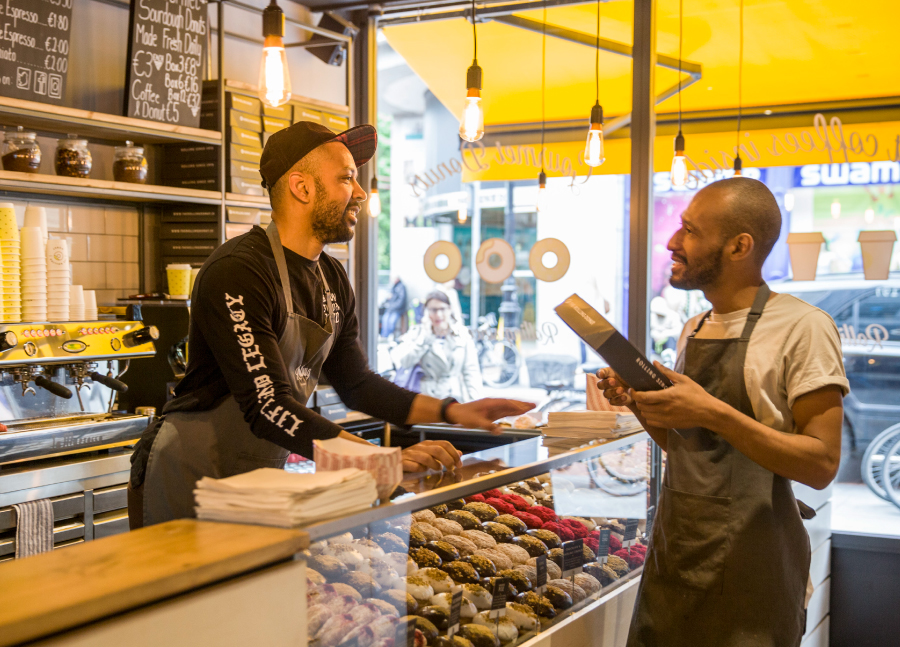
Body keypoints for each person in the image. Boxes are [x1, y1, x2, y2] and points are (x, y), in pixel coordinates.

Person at [127, 121, 532, 528]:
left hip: (259, 480)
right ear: (302, 188)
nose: (359, 193)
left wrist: (452, 411)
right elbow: (267, 405)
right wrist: (379, 459)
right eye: (347, 178)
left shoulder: (332, 278)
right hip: (189, 475)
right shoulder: (239, 272)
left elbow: (356, 383)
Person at [597, 177, 848, 647]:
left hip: (754, 579)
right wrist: (640, 403)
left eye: (690, 230)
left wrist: (713, 411)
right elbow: (690, 447)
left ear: (739, 246)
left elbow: (821, 464)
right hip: (676, 563)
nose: (672, 242)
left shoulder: (804, 327)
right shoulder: (694, 328)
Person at [393, 291, 483, 402]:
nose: (438, 315)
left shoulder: (461, 334)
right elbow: (404, 362)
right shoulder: (417, 333)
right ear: (426, 311)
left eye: (443, 309)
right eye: (433, 310)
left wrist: (476, 402)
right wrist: (425, 338)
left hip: (454, 396)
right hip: (426, 397)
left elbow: (471, 371)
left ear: (450, 309)